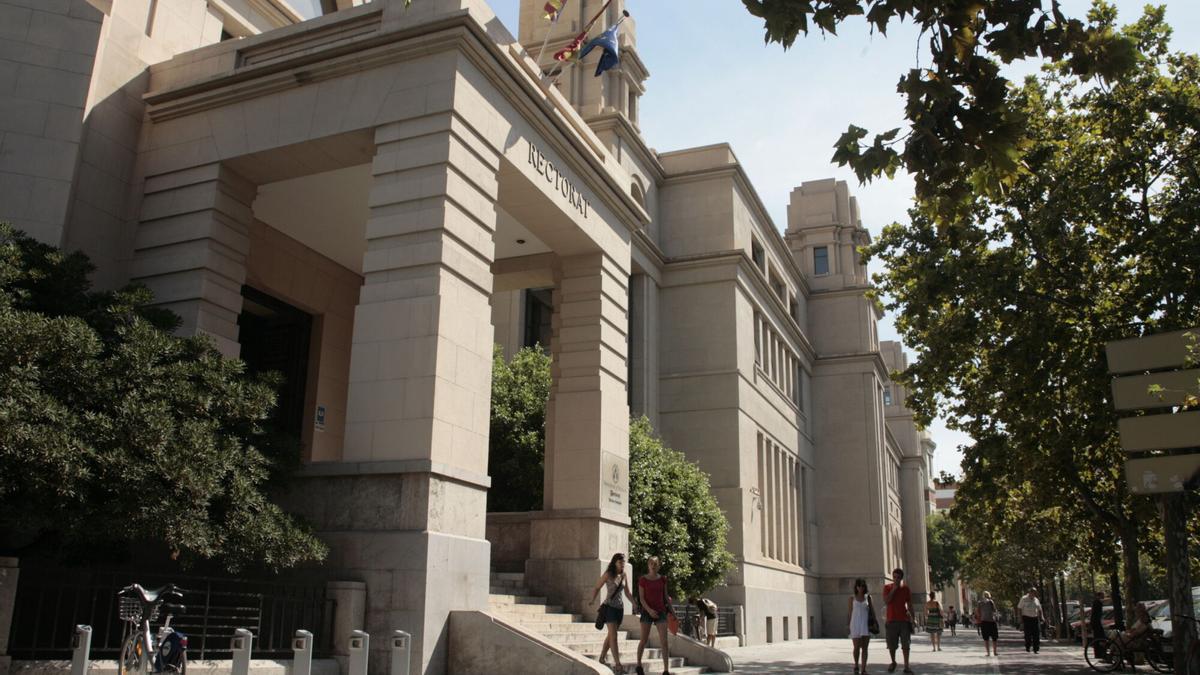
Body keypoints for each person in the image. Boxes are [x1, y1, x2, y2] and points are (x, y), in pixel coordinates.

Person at [591, 552, 635, 674]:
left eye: (624, 562)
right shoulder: (608, 574)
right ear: (615, 562)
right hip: (609, 608)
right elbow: (597, 587)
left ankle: (601, 657)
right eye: (620, 562)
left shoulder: (624, 575)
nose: (622, 564)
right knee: (614, 637)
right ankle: (618, 665)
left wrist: (635, 604)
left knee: (611, 635)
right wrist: (593, 600)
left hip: (619, 609)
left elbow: (627, 593)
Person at [636, 556, 673, 675]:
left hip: (661, 612)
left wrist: (672, 612)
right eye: (651, 563)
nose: (653, 565)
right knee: (643, 640)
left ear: (659, 565)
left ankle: (666, 670)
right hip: (647, 612)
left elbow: (666, 597)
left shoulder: (663, 579)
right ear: (648, 565)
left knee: (664, 641)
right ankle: (639, 665)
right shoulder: (643, 579)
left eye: (656, 563)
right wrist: (649, 610)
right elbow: (641, 598)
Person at [883, 568, 914, 674]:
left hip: (904, 621)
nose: (896, 579)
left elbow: (910, 605)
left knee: (906, 644)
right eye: (894, 577)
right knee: (891, 645)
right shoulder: (887, 588)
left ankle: (906, 666)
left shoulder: (906, 589)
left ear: (901, 578)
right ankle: (893, 661)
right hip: (891, 620)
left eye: (898, 577)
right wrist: (893, 590)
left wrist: (913, 619)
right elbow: (887, 601)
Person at [847, 578, 875, 674]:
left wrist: (874, 622)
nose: (861, 588)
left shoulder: (868, 598)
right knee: (856, 647)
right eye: (859, 586)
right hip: (855, 624)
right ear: (856, 587)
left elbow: (872, 611)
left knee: (865, 648)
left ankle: (863, 669)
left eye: (863, 586)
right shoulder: (852, 598)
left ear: (865, 587)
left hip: (865, 625)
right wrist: (849, 625)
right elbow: (850, 613)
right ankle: (856, 665)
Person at [1018, 587, 1044, 654]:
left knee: (1036, 634)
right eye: (1033, 592)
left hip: (1035, 618)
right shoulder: (1024, 599)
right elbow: (1020, 608)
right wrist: (1020, 618)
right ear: (1030, 592)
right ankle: (1028, 646)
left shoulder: (1036, 600)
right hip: (1026, 618)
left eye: (1035, 593)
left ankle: (1036, 649)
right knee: (1028, 634)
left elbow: (1040, 609)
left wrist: (1042, 617)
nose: (1034, 594)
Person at [975, 591, 999, 657]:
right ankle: (995, 652)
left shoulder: (980, 603)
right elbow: (994, 610)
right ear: (989, 595)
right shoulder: (991, 602)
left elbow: (978, 612)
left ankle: (988, 653)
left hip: (984, 622)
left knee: (986, 638)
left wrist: (978, 620)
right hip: (991, 621)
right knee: (994, 638)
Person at [1089, 591, 1107, 659]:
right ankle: (1100, 653)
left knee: (1097, 638)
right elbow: (1096, 614)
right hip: (1097, 623)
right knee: (1101, 638)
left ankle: (1098, 653)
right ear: (1099, 595)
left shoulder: (1096, 602)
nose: (1104, 596)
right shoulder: (1098, 602)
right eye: (1103, 595)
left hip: (1095, 622)